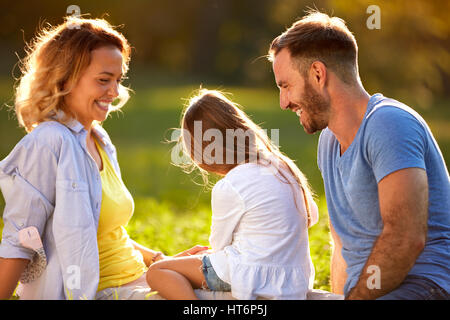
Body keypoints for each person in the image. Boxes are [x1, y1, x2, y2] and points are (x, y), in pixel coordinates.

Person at [0, 16, 206, 300]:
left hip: (144, 278)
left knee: (246, 287)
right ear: (65, 78)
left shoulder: (100, 139)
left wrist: (162, 259)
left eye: (118, 80)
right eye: (103, 80)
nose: (114, 91)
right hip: (105, 292)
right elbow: (19, 240)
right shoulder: (48, 142)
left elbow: (107, 235)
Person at [268, 11, 450, 300]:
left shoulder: (389, 124)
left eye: (286, 86)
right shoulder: (328, 142)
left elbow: (405, 238)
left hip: (425, 286)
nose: (283, 102)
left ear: (317, 74)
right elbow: (343, 246)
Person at [146, 89, 320, 300]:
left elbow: (219, 246)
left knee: (159, 272)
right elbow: (312, 216)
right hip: (294, 277)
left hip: (248, 275)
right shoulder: (283, 166)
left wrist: (200, 258)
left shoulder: (232, 185)